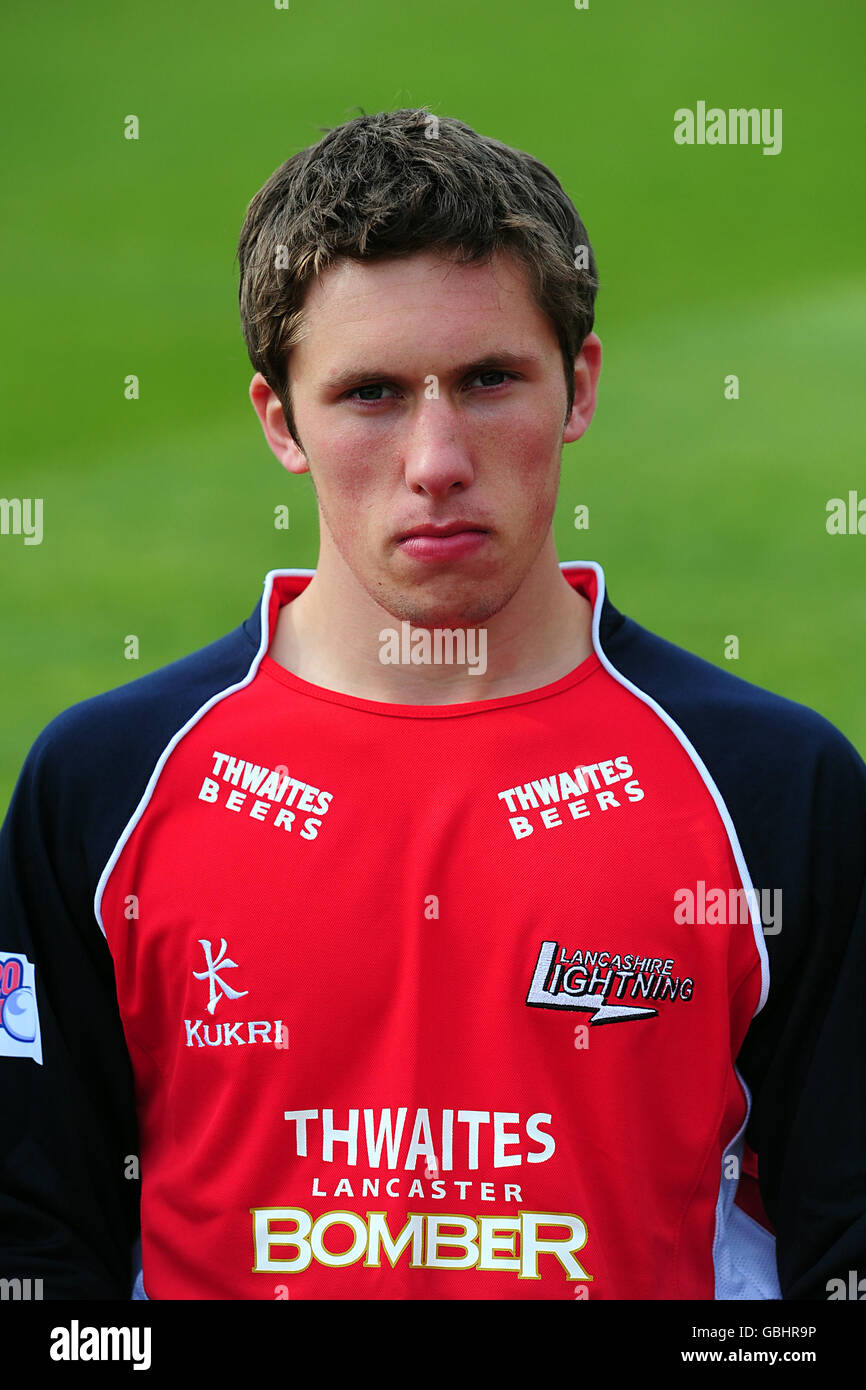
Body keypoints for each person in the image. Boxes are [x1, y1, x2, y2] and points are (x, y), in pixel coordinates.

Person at [1, 108, 863, 1301]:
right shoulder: (104, 787)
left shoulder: (772, 788)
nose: (436, 457)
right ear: (277, 422)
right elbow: (36, 1240)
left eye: (489, 378)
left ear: (579, 386)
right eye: (368, 394)